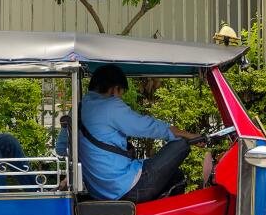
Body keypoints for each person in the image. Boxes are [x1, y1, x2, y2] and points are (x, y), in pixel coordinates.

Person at [56, 64, 208, 203]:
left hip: (100, 192)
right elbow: (148, 127)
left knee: (176, 175)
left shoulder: (76, 110)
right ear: (114, 89)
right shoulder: (110, 106)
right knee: (181, 144)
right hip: (129, 188)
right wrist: (189, 135)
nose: (120, 97)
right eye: (121, 92)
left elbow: (61, 149)